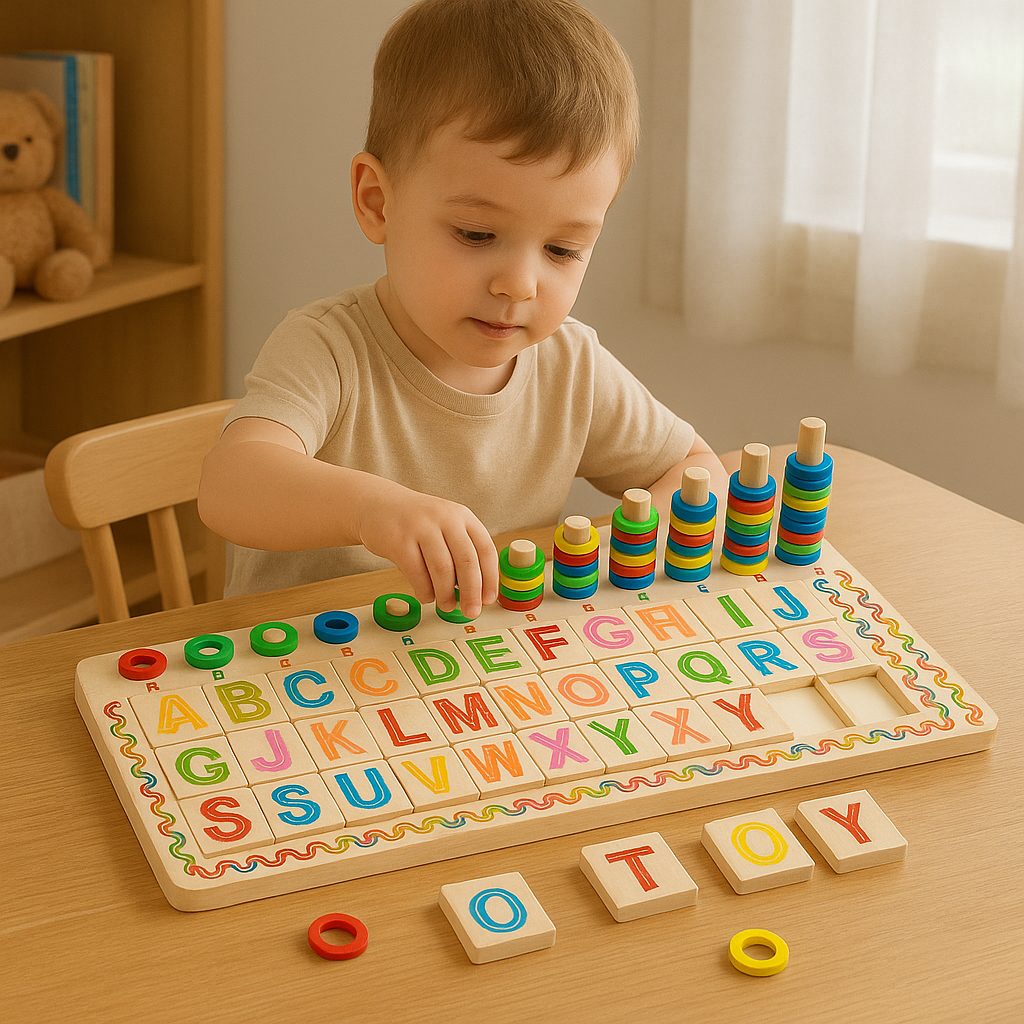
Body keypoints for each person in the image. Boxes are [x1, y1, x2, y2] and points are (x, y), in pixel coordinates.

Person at [198, 0, 728, 618]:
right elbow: (231, 485)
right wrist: (378, 511)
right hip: (299, 672)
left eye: (564, 249)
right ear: (377, 202)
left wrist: (628, 544)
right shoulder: (327, 349)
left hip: (476, 675)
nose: (519, 285)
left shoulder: (570, 365)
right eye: (477, 235)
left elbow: (699, 471)